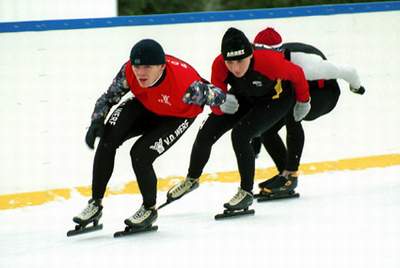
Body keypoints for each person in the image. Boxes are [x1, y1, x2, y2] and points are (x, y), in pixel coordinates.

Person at [71, 39, 229, 231]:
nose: (141, 72)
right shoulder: (129, 72)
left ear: (162, 67)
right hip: (147, 105)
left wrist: (217, 101)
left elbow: (218, 95)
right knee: (107, 139)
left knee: (140, 154)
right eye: (137, 66)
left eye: (147, 66)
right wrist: (96, 120)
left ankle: (149, 208)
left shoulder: (185, 84)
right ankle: (95, 204)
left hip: (176, 117)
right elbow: (108, 97)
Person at [166, 27, 311, 211]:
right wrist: (219, 105)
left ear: (250, 55)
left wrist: (304, 100)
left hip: (276, 99)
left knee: (240, 135)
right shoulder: (218, 64)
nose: (235, 68)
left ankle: (246, 192)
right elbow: (216, 99)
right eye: (230, 62)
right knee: (207, 130)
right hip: (245, 97)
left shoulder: (269, 62)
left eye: (240, 61)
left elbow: (298, 74)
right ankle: (192, 178)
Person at [251, 27, 365, 197]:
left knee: (292, 110)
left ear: (280, 53)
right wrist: (256, 134)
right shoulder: (256, 62)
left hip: (324, 93)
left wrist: (357, 87)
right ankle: (284, 175)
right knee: (269, 130)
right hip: (297, 90)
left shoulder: (308, 65)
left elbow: (348, 71)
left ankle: (291, 175)